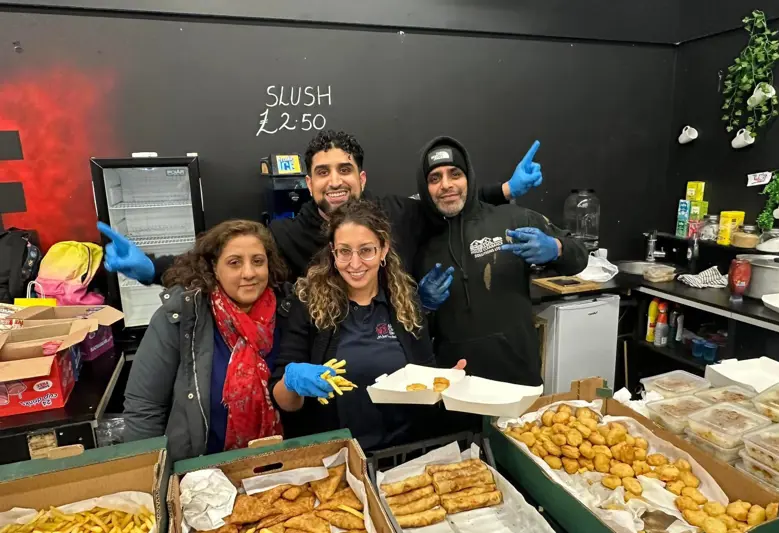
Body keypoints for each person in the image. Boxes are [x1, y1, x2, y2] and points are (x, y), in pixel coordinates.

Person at [98, 130, 543, 311]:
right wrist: (151, 268)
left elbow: (445, 200)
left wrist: (505, 190)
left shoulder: (398, 213)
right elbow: (224, 262)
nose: (335, 181)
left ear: (361, 178)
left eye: (345, 170)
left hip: (406, 359)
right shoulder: (285, 236)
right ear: (309, 183)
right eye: (323, 172)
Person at [270, 200, 443, 450]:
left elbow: (426, 376)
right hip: (336, 455)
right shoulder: (308, 304)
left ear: (383, 249)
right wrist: (291, 381)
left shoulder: (406, 301)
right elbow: (284, 401)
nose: (354, 263)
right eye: (344, 251)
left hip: (403, 453)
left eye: (366, 250)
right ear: (333, 252)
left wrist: (444, 384)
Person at [416, 137, 588, 387]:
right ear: (425, 188)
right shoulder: (419, 242)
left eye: (455, 174)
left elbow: (580, 257)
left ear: (469, 178)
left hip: (517, 376)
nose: (447, 185)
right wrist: (422, 305)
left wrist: (557, 249)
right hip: (454, 381)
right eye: (435, 178)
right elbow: (412, 330)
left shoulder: (514, 220)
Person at [123, 220, 289, 460]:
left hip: (282, 464)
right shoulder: (181, 318)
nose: (249, 273)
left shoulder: (288, 312)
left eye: (257, 261)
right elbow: (144, 407)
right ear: (214, 268)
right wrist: (148, 471)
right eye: (234, 263)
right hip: (200, 469)